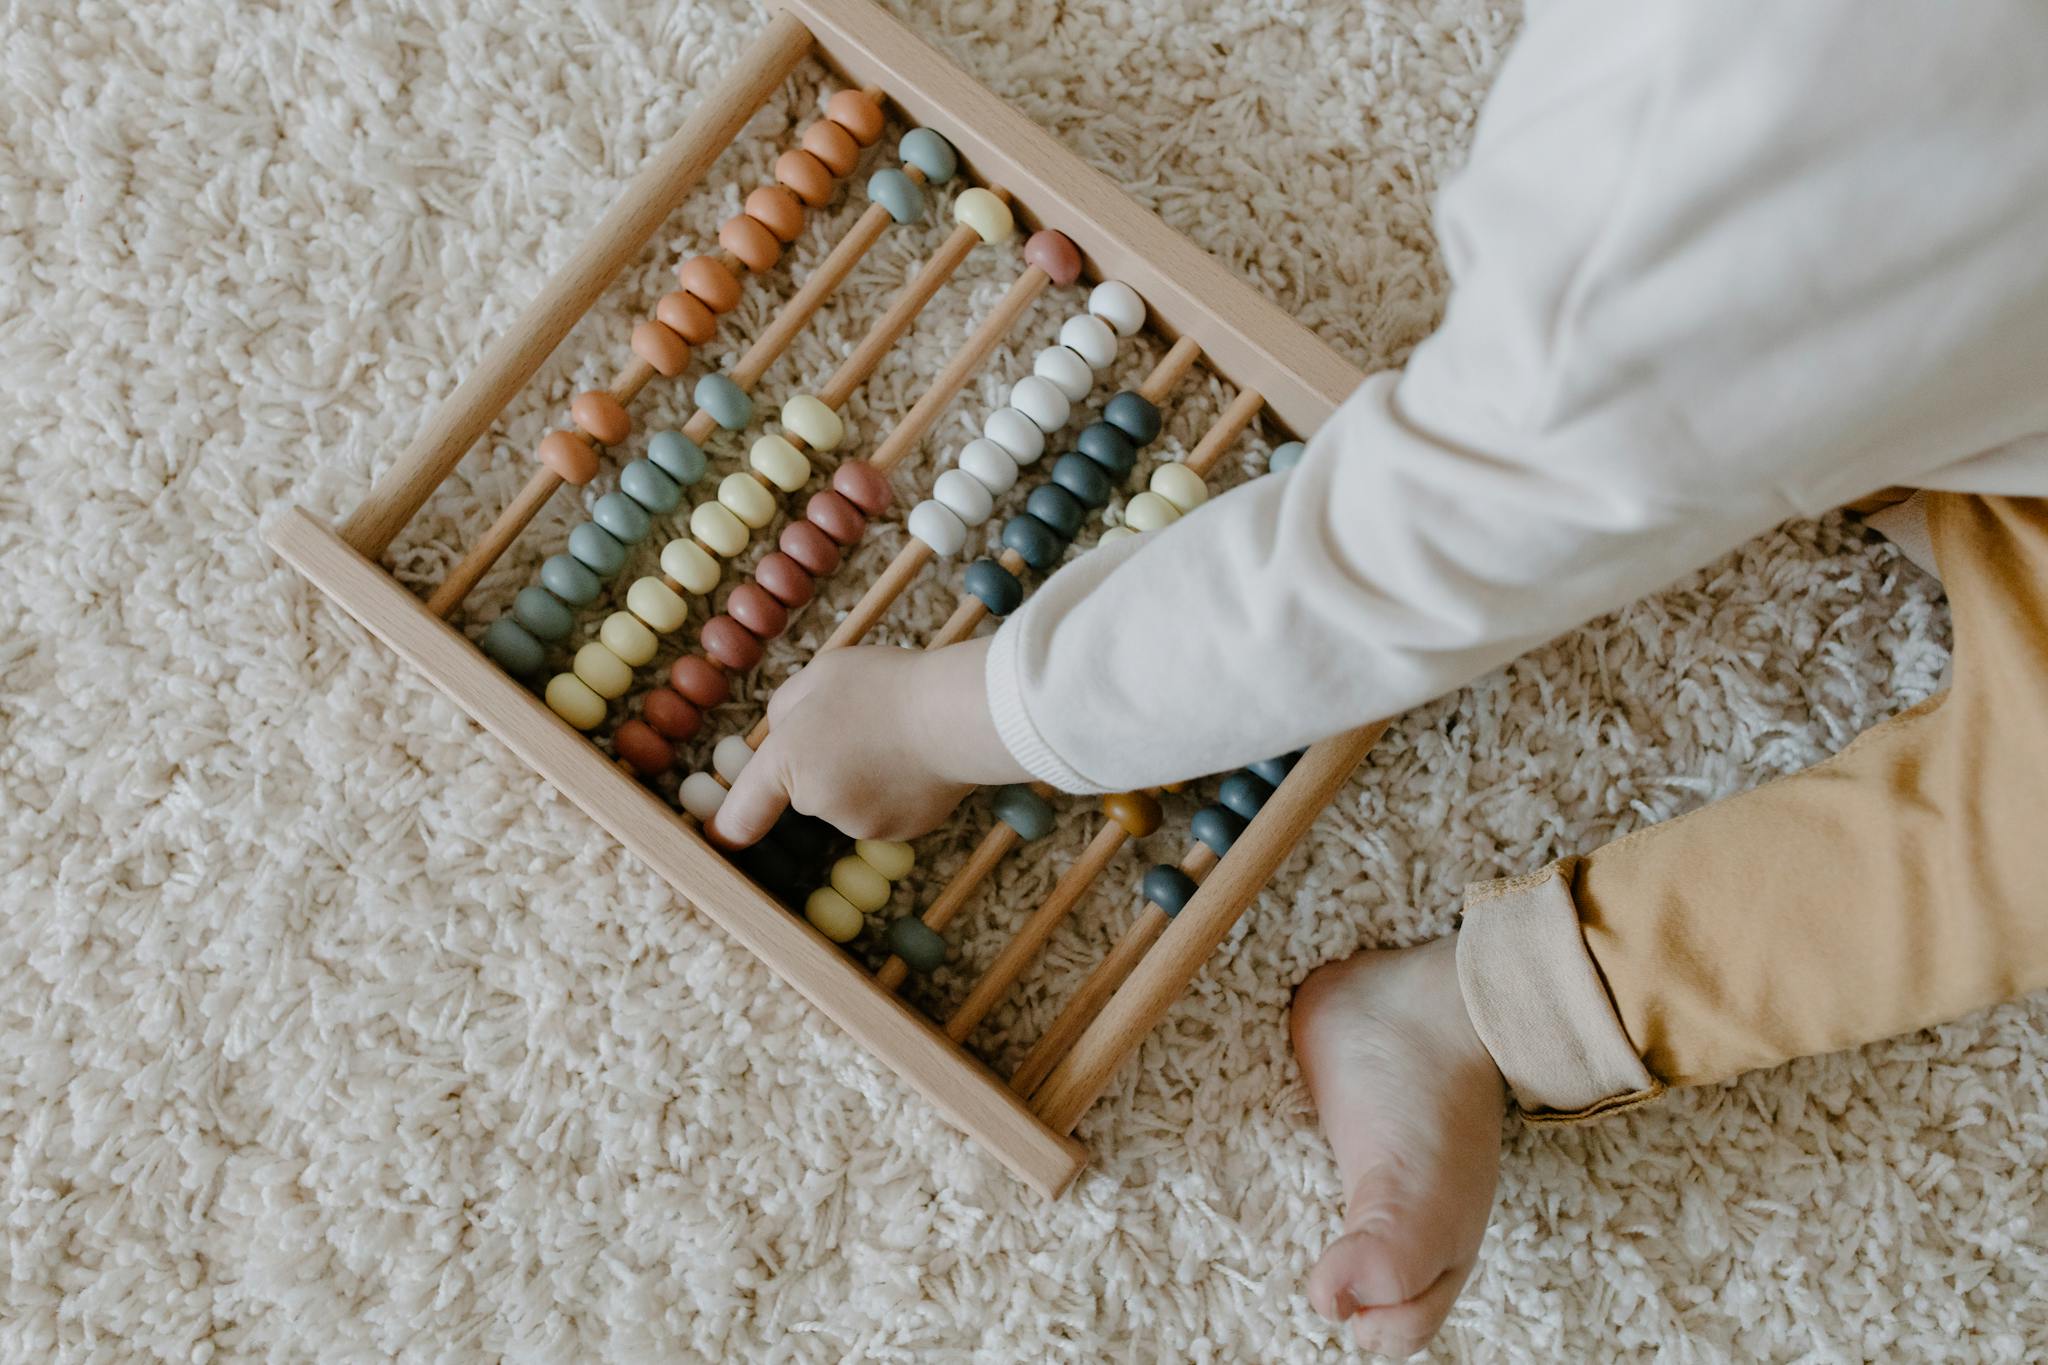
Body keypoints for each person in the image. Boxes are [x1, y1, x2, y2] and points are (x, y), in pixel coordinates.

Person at [711, 2, 2048, 1354]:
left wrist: (952, 714)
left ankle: (1477, 1010)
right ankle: (1863, 413)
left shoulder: (1673, 191)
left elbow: (1387, 565)